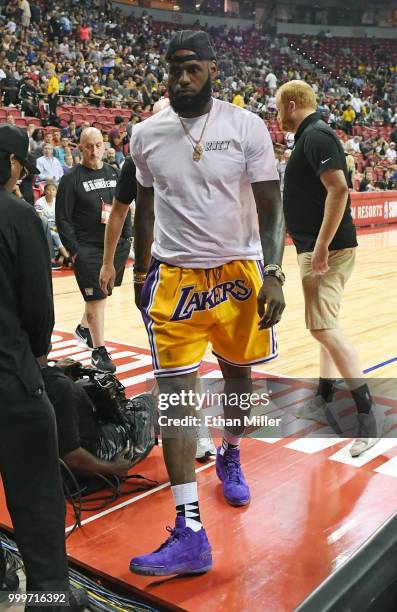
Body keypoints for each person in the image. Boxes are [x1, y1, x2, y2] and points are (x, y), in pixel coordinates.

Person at [100, 30, 285, 576]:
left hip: (238, 273)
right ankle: (189, 532)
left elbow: (272, 209)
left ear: (211, 70)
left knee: (238, 381)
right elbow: (146, 208)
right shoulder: (146, 134)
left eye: (193, 69)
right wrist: (140, 269)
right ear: (167, 72)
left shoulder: (246, 126)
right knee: (175, 397)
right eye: (175, 68)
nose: (183, 78)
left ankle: (230, 449)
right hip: (176, 278)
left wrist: (273, 272)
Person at [0, 124, 86, 609]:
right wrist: (35, 356)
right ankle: (51, 597)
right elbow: (39, 311)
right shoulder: (18, 217)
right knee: (37, 497)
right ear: (12, 165)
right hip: (10, 377)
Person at [276, 80, 384, 457]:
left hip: (329, 250)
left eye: (278, 109)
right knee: (324, 326)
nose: (277, 116)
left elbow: (338, 190)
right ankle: (323, 396)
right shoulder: (309, 136)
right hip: (317, 247)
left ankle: (368, 416)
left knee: (324, 328)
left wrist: (321, 245)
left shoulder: (317, 135)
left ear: (291, 105)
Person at [56, 128, 132, 373]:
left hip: (113, 247)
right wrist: (75, 251)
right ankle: (99, 351)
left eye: (98, 145)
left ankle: (83, 327)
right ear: (80, 148)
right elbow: (63, 218)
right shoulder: (71, 179)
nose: (94, 151)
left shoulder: (113, 172)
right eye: (89, 146)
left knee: (101, 295)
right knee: (98, 297)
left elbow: (124, 206)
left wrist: (127, 236)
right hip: (87, 248)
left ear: (105, 144)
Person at [35, 181, 70, 265]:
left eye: (53, 190)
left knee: (68, 231)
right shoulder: (39, 202)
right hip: (45, 226)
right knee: (55, 234)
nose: (51, 192)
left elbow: (62, 216)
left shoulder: (58, 201)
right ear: (44, 191)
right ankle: (67, 258)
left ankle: (63, 256)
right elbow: (40, 218)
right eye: (48, 190)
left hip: (57, 224)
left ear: (56, 192)